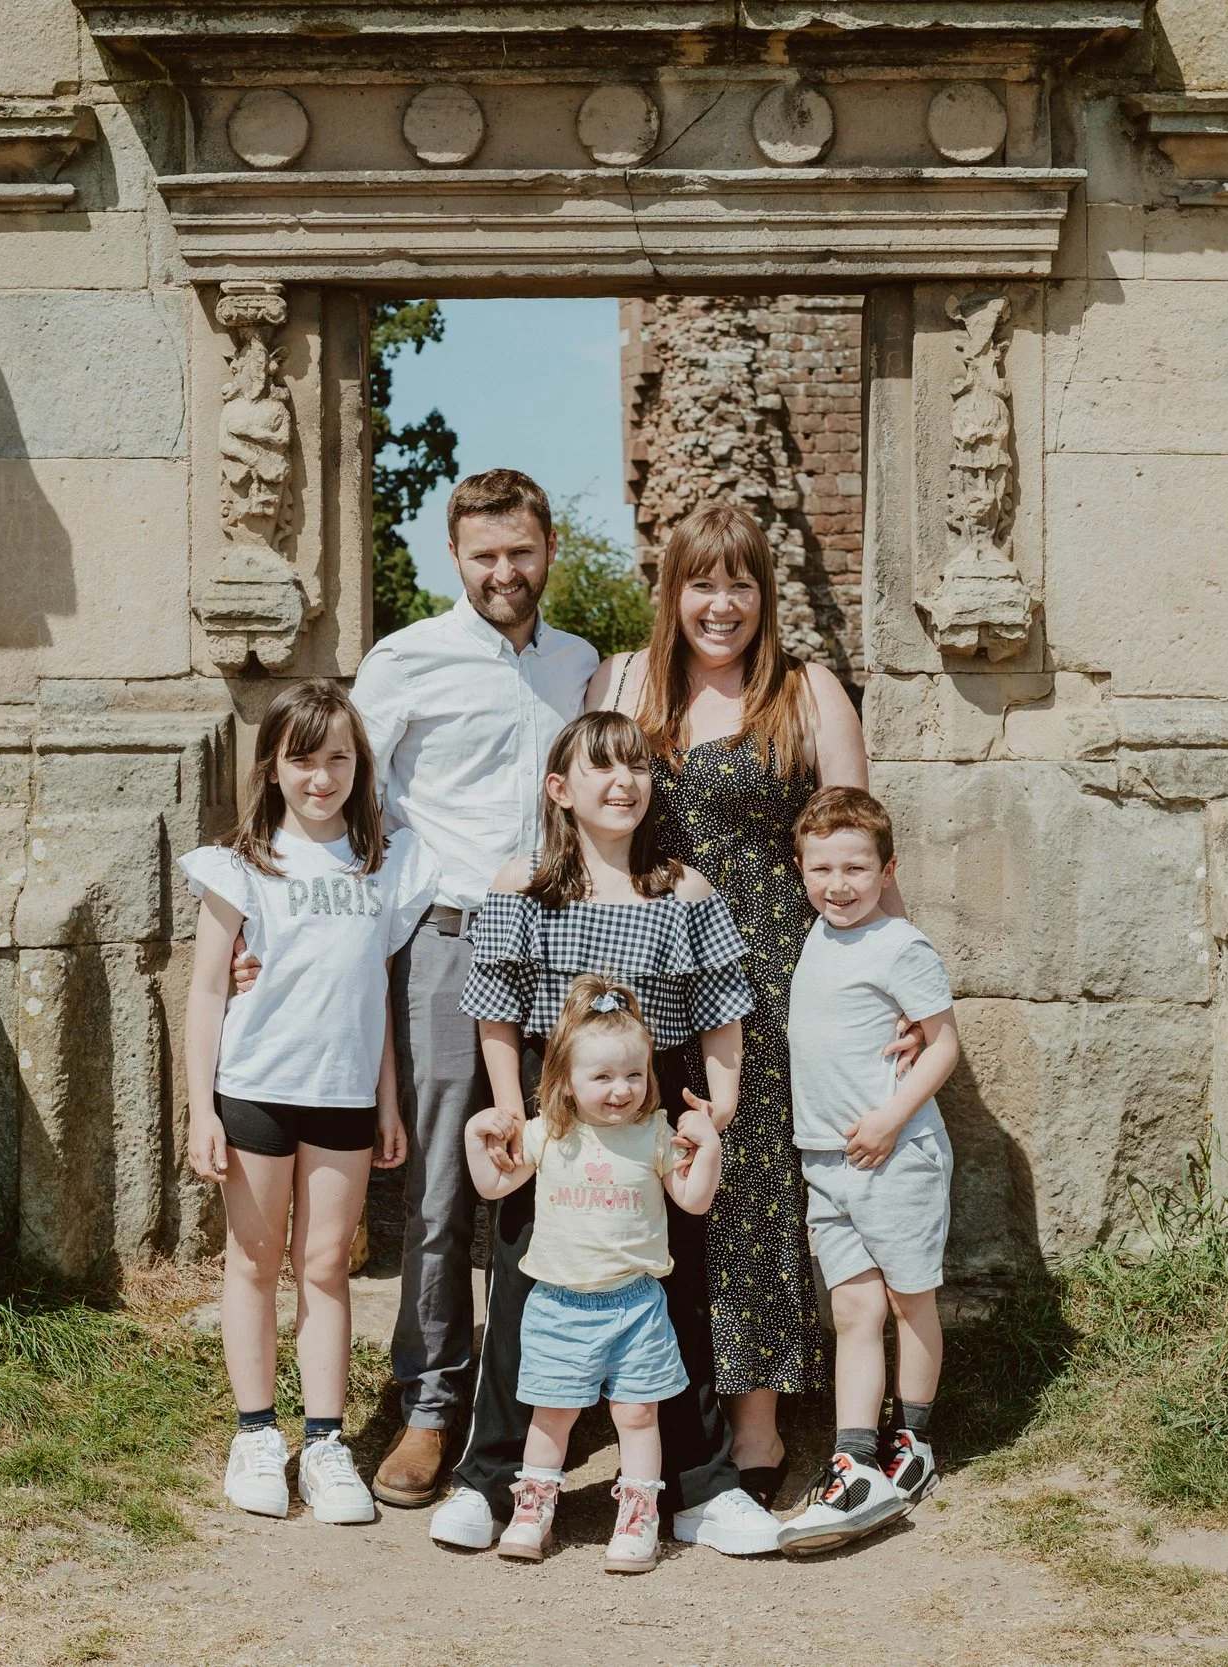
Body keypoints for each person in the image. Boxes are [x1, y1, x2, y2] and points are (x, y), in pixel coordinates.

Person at [589, 502, 910, 1502]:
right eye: (700, 583)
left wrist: (907, 984)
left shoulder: (807, 691)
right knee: (642, 1179)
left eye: (739, 583)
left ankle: (758, 1430)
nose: (719, 604)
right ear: (671, 590)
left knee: (752, 1198)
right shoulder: (626, 682)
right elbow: (584, 825)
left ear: (763, 593)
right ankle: (651, 1410)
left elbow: (862, 845)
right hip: (647, 966)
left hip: (772, 976)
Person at [430, 711, 784, 1557]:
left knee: (673, 1292)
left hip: (649, 1100)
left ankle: (695, 1488)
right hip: (552, 1105)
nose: (622, 782)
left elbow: (721, 1004)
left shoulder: (682, 889)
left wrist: (720, 1101)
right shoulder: (524, 884)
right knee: (523, 1289)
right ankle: (492, 1478)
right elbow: (498, 1008)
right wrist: (512, 1107)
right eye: (601, 768)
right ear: (561, 788)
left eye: (636, 767)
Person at [345, 468, 601, 1506]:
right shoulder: (405, 659)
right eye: (485, 555)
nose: (505, 571)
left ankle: (548, 1393)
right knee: (450, 1189)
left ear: (548, 551)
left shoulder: (580, 664)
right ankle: (430, 1406)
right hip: (451, 941)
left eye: (521, 551)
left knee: (568, 1172)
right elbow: (339, 797)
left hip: (565, 942)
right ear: (456, 557)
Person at [181, 680, 439, 1524]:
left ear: (360, 766)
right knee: (254, 1262)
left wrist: (388, 1100)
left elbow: (380, 993)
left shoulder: (383, 866)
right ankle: (258, 1432)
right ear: (274, 767)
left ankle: (325, 1442)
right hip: (256, 1090)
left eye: (338, 758)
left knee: (325, 1266)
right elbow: (207, 992)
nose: (321, 776)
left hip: (343, 1099)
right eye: (303, 758)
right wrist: (199, 1108)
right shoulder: (240, 865)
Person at [461, 975, 724, 1573]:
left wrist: (706, 1147)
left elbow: (693, 1201)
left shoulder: (656, 1135)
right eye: (601, 1077)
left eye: (633, 1075)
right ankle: (533, 1509)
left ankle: (637, 1518)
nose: (620, 1090)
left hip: (636, 1304)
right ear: (564, 1081)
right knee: (552, 1415)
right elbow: (495, 1184)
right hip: (558, 1304)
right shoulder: (548, 1134)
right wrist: (477, 1139)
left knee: (638, 1414)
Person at [774, 787, 962, 1556]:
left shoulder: (900, 944)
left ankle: (912, 1438)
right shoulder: (813, 935)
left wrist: (890, 1118)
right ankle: (853, 1450)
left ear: (887, 869)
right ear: (801, 869)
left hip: (896, 1156)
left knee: (909, 1296)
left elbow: (944, 1043)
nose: (839, 883)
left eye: (856, 866)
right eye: (822, 867)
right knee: (853, 1308)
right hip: (825, 1160)